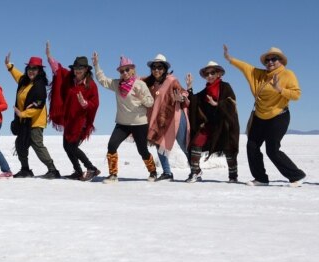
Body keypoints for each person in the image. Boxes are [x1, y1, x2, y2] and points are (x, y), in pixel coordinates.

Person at [224, 45, 306, 187]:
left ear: (280, 61)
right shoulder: (259, 74)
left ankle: (297, 176)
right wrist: (230, 59)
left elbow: (297, 94)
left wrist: (280, 89)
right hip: (259, 116)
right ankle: (261, 178)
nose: (270, 62)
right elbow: (244, 67)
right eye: (267, 60)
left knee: (272, 150)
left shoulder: (287, 75)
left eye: (274, 59)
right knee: (252, 146)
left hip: (279, 116)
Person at [93, 52, 156, 183]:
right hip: (122, 123)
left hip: (139, 123)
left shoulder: (140, 85)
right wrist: (96, 65)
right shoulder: (117, 85)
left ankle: (153, 172)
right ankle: (113, 175)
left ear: (133, 70)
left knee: (142, 150)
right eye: (122, 71)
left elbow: (150, 102)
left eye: (127, 70)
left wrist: (141, 97)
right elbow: (102, 80)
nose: (125, 72)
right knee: (111, 145)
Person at [46, 41, 101, 181]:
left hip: (81, 121)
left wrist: (85, 104)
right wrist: (49, 57)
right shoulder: (70, 79)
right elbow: (58, 71)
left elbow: (95, 104)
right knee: (66, 146)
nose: (77, 71)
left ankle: (92, 168)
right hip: (70, 120)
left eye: (80, 68)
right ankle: (77, 171)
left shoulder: (91, 86)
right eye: (76, 68)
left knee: (72, 147)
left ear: (86, 70)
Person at [5, 52, 61, 179]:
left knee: (37, 144)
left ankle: (53, 170)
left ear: (39, 70)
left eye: (34, 68)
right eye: (29, 68)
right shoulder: (24, 81)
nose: (31, 71)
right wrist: (9, 66)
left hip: (35, 121)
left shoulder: (39, 86)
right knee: (20, 144)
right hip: (24, 121)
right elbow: (17, 75)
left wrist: (22, 113)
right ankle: (25, 170)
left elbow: (37, 107)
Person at [183, 61, 241, 183]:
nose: (209, 75)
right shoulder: (206, 91)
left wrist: (217, 104)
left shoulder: (226, 87)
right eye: (207, 73)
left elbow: (231, 104)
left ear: (218, 74)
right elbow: (194, 101)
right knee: (196, 143)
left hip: (226, 124)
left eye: (212, 73)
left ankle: (233, 176)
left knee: (228, 148)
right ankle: (195, 172)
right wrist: (189, 87)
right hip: (210, 125)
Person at [142, 54, 191, 182]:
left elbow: (183, 93)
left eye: (159, 67)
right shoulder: (149, 82)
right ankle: (167, 172)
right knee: (159, 144)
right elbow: (134, 82)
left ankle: (195, 171)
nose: (156, 70)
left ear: (164, 69)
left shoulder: (171, 80)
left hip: (175, 117)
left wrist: (180, 98)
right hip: (160, 119)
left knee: (184, 144)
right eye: (154, 67)